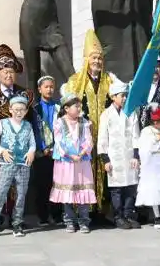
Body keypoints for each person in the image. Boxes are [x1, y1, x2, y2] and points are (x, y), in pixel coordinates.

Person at [0, 44, 37, 228]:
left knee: (19, 183)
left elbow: (32, 123)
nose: (9, 75)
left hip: (21, 149)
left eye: (11, 71)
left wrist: (34, 148)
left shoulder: (25, 94)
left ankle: (16, 217)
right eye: (5, 71)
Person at [61, 30, 120, 217]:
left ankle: (102, 212)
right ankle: (83, 213)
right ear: (87, 59)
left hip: (105, 136)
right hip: (83, 138)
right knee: (84, 174)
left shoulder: (109, 80)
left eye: (100, 59)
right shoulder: (74, 82)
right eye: (94, 58)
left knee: (105, 171)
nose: (97, 62)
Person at [0, 95, 38, 238]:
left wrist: (32, 152)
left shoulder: (28, 126)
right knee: (0, 193)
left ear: (26, 111)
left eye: (22, 109)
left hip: (23, 165)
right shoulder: (3, 123)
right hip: (7, 164)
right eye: (16, 109)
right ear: (10, 110)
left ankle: (17, 222)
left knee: (21, 195)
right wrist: (1, 151)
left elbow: (32, 143)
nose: (18, 112)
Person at [50, 92, 96, 233]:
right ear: (66, 108)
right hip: (66, 162)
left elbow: (89, 140)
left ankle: (84, 221)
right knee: (67, 191)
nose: (78, 109)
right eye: (76, 106)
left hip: (82, 161)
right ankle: (69, 221)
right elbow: (59, 142)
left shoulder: (84, 122)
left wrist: (81, 153)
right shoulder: (59, 123)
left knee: (83, 190)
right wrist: (70, 155)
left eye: (79, 106)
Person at [96, 80, 139, 229]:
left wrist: (135, 155)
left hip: (129, 156)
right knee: (116, 189)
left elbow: (135, 135)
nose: (125, 98)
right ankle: (118, 216)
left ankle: (128, 214)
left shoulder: (132, 112)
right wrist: (105, 159)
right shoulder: (106, 114)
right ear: (113, 97)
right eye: (122, 95)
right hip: (114, 157)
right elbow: (102, 138)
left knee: (130, 187)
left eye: (126, 95)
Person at [30, 75, 60, 227]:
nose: (49, 89)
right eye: (46, 87)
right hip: (42, 153)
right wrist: (43, 147)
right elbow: (34, 130)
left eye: (51, 87)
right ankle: (42, 215)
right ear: (39, 89)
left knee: (58, 183)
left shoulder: (59, 107)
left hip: (57, 151)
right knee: (42, 184)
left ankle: (57, 214)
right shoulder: (35, 109)